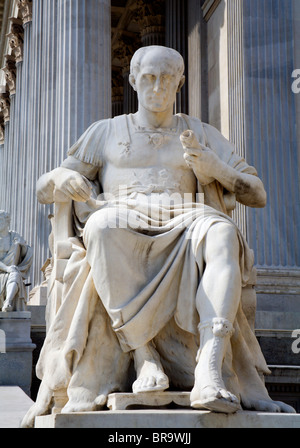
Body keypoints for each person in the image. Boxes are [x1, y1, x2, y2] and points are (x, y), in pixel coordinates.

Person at [22, 46, 295, 427]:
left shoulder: (200, 132)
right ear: (133, 80)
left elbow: (257, 193)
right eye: (149, 77)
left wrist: (217, 168)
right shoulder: (105, 132)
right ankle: (143, 353)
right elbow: (42, 187)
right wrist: (60, 179)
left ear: (180, 83)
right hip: (122, 217)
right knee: (101, 228)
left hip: (188, 216)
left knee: (222, 232)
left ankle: (210, 366)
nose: (158, 87)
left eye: (167, 78)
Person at [0, 210, 33, 312]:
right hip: (2, 270)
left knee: (15, 274)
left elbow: (25, 255)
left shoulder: (14, 236)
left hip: (12, 271)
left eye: (0, 220)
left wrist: (22, 246)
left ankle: (8, 302)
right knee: (13, 273)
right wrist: (7, 268)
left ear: (7, 222)